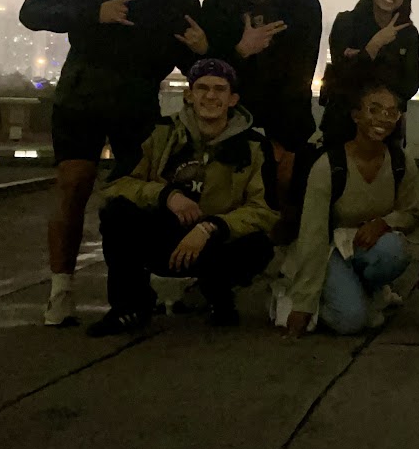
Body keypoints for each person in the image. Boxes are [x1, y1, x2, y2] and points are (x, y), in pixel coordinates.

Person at [19, 0, 207, 327]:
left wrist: (202, 50)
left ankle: (131, 294)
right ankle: (60, 291)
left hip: (137, 108)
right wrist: (92, 13)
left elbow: (199, 69)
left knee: (135, 199)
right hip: (81, 100)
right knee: (74, 186)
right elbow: (31, 11)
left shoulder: (182, 1)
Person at [86, 59, 278, 336]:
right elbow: (116, 184)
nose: (210, 96)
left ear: (233, 98)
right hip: (165, 234)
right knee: (117, 213)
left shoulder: (255, 147)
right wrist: (166, 195)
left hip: (216, 241)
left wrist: (211, 226)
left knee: (258, 245)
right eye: (202, 88)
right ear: (189, 94)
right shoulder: (159, 132)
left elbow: (266, 210)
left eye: (219, 89)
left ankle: (218, 295)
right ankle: (130, 306)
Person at [200, 0, 322, 222]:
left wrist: (285, 139)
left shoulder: (304, 4)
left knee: (285, 196)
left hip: (287, 118)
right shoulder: (219, 1)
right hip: (232, 116)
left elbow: (301, 74)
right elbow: (210, 72)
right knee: (229, 199)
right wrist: (242, 50)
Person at [282, 83, 419, 337]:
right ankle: (288, 296)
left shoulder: (401, 162)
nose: (383, 118)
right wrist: (303, 304)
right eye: (374, 109)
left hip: (366, 246)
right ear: (356, 115)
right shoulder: (329, 166)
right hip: (330, 250)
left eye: (392, 112)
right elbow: (312, 235)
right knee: (351, 322)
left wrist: (384, 223)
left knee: (395, 251)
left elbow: (412, 212)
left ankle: (367, 290)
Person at [320, 0, 419, 147]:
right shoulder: (346, 22)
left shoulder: (408, 33)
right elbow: (343, 76)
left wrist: (362, 58)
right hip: (343, 122)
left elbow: (411, 84)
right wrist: (375, 45)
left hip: (387, 125)